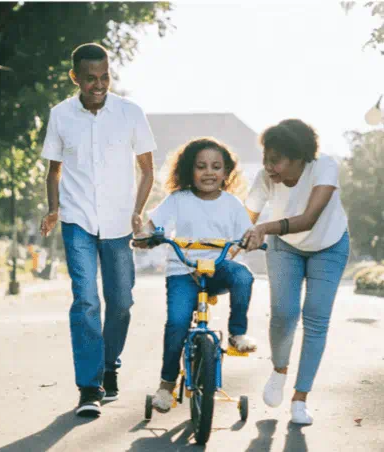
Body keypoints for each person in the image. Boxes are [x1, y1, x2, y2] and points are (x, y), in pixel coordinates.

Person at [39, 43, 156, 418]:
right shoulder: (60, 115)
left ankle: (109, 367)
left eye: (104, 77)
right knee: (86, 301)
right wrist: (54, 209)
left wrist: (138, 211)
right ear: (75, 77)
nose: (99, 84)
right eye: (90, 78)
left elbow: (147, 168)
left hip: (119, 223)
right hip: (77, 221)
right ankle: (89, 387)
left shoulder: (130, 112)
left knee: (121, 303)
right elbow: (54, 170)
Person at [134, 137, 257, 413]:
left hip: (218, 268)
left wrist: (251, 239)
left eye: (216, 166)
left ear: (226, 173)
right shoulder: (178, 199)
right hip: (183, 270)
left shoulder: (232, 204)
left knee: (244, 277)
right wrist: (146, 235)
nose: (209, 172)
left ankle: (238, 333)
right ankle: (166, 385)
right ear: (190, 170)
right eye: (201, 166)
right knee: (177, 323)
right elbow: (153, 224)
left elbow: (247, 233)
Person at [242, 118, 349, 425]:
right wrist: (228, 248)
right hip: (285, 247)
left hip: (329, 244)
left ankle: (300, 399)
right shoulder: (266, 178)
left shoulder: (323, 167)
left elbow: (309, 219)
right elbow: (244, 219)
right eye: (266, 159)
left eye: (275, 160)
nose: (269, 167)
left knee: (316, 317)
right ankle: (279, 369)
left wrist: (264, 228)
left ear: (299, 157)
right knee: (284, 313)